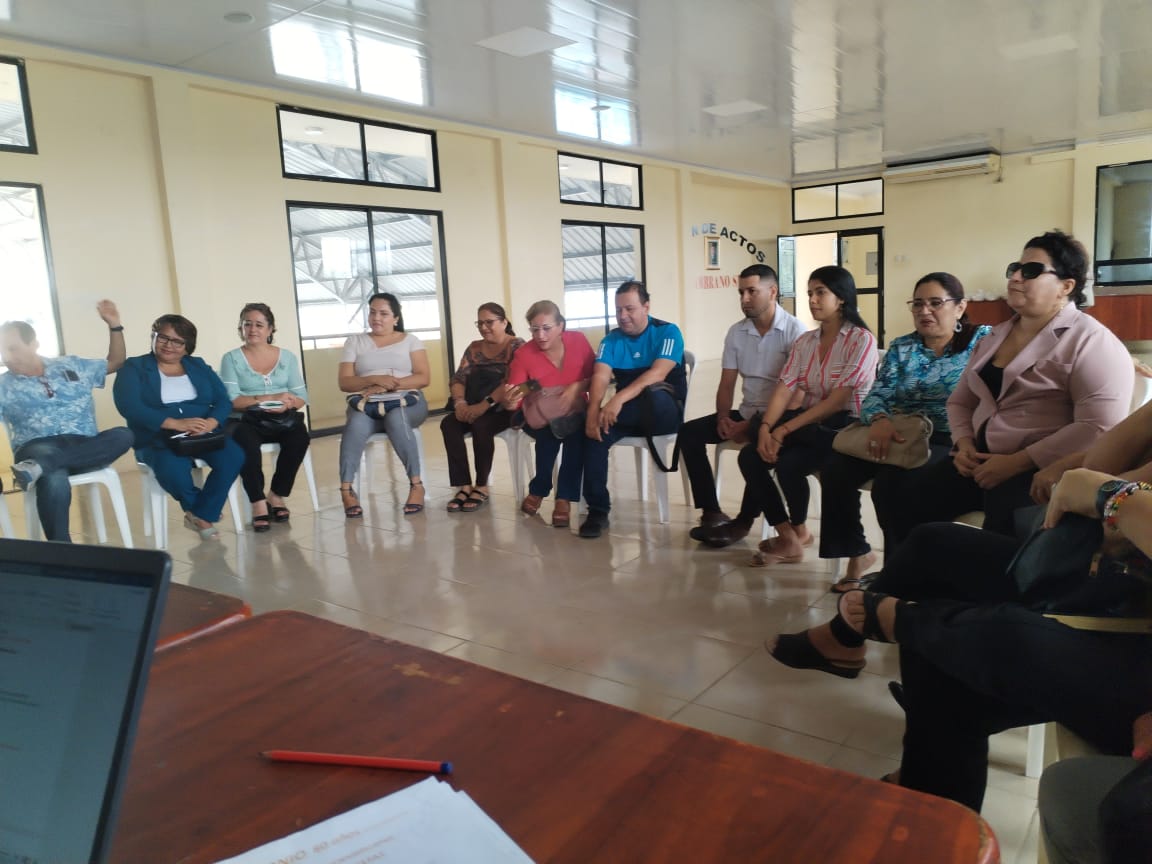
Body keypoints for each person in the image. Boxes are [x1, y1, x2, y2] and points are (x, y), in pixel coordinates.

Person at [768, 398, 1152, 815]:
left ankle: (926, 777)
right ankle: (858, 651)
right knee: (934, 544)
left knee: (990, 638)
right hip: (1106, 582)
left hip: (1129, 628)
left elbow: (1103, 489)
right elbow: (1098, 469)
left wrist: (1109, 496)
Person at [885, 230, 1133, 551]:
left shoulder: (1091, 341)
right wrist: (964, 444)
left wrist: (1018, 462)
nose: (1015, 277)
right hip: (979, 460)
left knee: (1002, 532)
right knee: (905, 499)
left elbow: (1099, 427)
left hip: (1042, 470)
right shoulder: (995, 336)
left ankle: (968, 582)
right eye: (1015, 268)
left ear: (1066, 286)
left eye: (1030, 271)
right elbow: (960, 402)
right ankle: (908, 577)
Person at [692, 266, 877, 563]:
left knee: (788, 462)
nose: (812, 300)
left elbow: (838, 401)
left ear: (841, 297)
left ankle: (805, 534)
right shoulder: (807, 342)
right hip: (812, 426)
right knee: (751, 456)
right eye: (810, 293)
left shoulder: (860, 340)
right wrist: (767, 427)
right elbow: (784, 387)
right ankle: (789, 536)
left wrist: (782, 430)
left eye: (820, 293)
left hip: (845, 429)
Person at [820, 273, 991, 588]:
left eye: (936, 303)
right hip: (900, 431)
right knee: (835, 468)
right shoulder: (903, 347)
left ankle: (899, 575)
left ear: (960, 306)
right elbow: (877, 395)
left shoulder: (982, 341)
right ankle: (857, 551)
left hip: (950, 437)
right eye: (918, 304)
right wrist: (880, 420)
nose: (925, 311)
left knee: (892, 485)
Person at [680, 264, 806, 545]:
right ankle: (711, 511)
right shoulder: (737, 332)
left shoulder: (795, 331)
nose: (744, 299)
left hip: (781, 417)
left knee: (754, 449)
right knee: (689, 433)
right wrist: (724, 418)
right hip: (747, 411)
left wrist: (751, 426)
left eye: (752, 291)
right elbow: (727, 383)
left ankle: (743, 522)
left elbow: (795, 395)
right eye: (741, 293)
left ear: (772, 292)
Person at [0, 301, 132, 542]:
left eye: (13, 348)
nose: (7, 356)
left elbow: (116, 362)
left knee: (124, 435)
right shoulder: (3, 385)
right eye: (2, 350)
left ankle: (40, 467)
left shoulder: (71, 365)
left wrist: (114, 325)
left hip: (86, 445)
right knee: (54, 478)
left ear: (34, 344)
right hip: (37, 446)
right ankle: (63, 551)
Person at [113, 314, 244, 539]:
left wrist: (211, 423)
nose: (168, 345)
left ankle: (200, 513)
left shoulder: (198, 365)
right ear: (153, 337)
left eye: (177, 341)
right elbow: (129, 406)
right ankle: (201, 513)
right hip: (157, 436)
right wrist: (174, 423)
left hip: (202, 432)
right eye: (163, 337)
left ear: (187, 346)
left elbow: (223, 400)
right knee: (172, 469)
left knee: (233, 456)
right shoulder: (134, 367)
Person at [579, 281, 687, 539]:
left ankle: (597, 418)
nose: (623, 315)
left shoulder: (667, 332)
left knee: (652, 398)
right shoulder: (611, 341)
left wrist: (617, 400)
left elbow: (657, 373)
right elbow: (601, 377)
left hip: (663, 411)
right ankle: (598, 510)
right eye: (618, 310)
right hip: (628, 414)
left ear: (646, 307)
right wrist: (593, 413)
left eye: (629, 309)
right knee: (594, 434)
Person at [337, 292, 430, 518]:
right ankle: (347, 489)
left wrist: (390, 385)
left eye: (384, 313)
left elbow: (423, 377)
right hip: (368, 404)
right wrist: (373, 380)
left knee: (396, 417)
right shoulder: (355, 342)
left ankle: (416, 485)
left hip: (407, 401)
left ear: (396, 318)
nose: (376, 318)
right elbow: (345, 382)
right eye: (372, 312)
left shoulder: (411, 341)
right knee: (355, 423)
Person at [219, 303, 310, 532]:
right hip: (244, 419)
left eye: (259, 325)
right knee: (245, 442)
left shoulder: (287, 357)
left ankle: (276, 495)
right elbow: (231, 400)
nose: (252, 329)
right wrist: (265, 399)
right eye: (247, 324)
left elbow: (301, 396)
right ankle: (258, 501)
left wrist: (286, 403)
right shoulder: (231, 358)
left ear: (270, 329)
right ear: (241, 328)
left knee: (299, 436)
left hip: (280, 418)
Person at [504, 300, 595, 528]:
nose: (540, 335)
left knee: (576, 435)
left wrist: (577, 386)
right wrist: (512, 399)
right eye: (535, 329)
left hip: (574, 409)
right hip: (539, 413)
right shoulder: (524, 354)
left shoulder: (578, 341)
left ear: (560, 325)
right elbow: (519, 391)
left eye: (546, 328)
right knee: (549, 433)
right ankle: (541, 487)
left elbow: (596, 376)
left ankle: (562, 497)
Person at [440, 303, 523, 513]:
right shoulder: (474, 348)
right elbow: (459, 378)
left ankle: (482, 485)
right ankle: (463, 485)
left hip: (504, 408)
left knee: (481, 425)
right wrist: (460, 403)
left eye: (489, 322)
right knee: (449, 424)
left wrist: (483, 405)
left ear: (504, 322)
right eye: (480, 323)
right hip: (474, 402)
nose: (484, 327)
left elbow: (511, 382)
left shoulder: (516, 346)